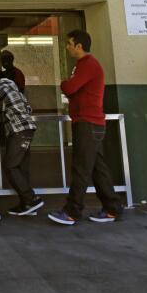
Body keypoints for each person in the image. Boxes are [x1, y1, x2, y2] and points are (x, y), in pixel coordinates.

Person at [48, 30, 122, 226]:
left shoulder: (88, 65)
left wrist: (64, 83)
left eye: (69, 43)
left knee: (81, 168)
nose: (67, 46)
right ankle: (112, 207)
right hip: (91, 123)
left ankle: (72, 211)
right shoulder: (84, 65)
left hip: (88, 123)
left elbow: (70, 88)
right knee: (98, 169)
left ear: (79, 46)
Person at [0, 75, 42, 216]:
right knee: (21, 167)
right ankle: (27, 205)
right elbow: (28, 108)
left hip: (18, 130)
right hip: (28, 128)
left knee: (10, 165)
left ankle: (32, 199)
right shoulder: (15, 90)